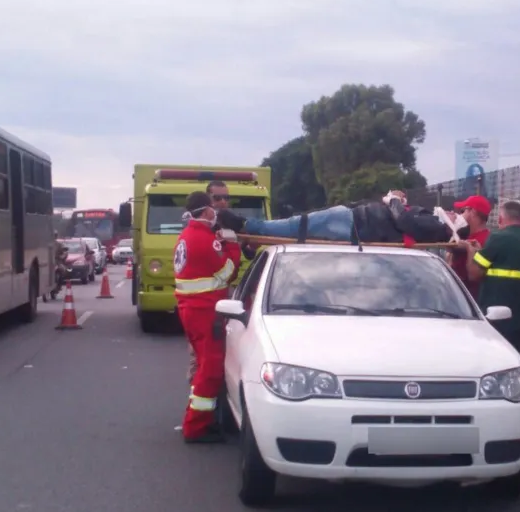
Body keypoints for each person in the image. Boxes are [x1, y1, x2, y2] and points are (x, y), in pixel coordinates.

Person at [174, 191, 242, 443]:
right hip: (205, 311)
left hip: (192, 310)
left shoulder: (187, 236)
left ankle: (201, 419)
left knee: (204, 366)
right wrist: (232, 244)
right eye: (213, 209)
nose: (216, 213)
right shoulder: (203, 239)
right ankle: (195, 427)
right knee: (211, 369)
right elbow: (228, 273)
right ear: (205, 212)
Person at [214, 190, 451, 245]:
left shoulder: (440, 227)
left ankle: (249, 226)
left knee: (297, 226)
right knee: (298, 225)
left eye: (464, 211)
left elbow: (404, 222)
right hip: (354, 220)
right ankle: (250, 228)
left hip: (353, 224)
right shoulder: (433, 219)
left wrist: (394, 201)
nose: (457, 212)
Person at [465, 200, 520, 361]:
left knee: (493, 360)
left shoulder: (498, 238)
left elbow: (474, 273)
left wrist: (471, 252)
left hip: (497, 316)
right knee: (516, 359)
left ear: (500, 219)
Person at [446, 195, 492, 298]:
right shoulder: (466, 235)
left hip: (469, 297)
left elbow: (474, 276)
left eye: (463, 211)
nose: (460, 215)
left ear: (473, 212)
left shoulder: (485, 240)